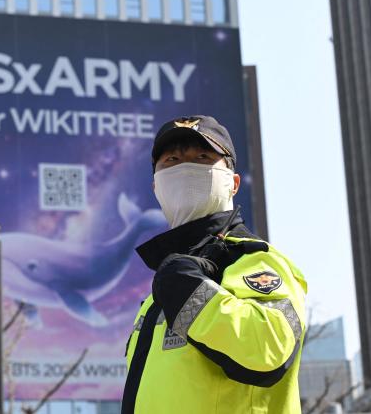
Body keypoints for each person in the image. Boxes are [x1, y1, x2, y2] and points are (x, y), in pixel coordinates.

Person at [122, 115, 307, 414]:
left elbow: (270, 350)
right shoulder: (158, 294)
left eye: (203, 156)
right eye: (172, 159)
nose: (185, 167)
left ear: (233, 183)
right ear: (156, 186)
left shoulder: (253, 259)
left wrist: (188, 289)